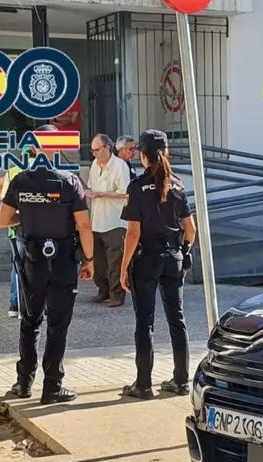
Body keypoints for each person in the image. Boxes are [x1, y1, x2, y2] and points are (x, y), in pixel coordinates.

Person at [0, 125, 96, 405]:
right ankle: (52, 386)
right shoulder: (69, 181)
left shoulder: (20, 180)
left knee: (30, 321)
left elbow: (2, 220)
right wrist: (89, 260)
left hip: (33, 260)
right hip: (63, 260)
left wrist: (25, 219)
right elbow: (84, 226)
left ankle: (23, 383)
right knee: (57, 325)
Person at [119, 129, 197, 399]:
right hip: (173, 257)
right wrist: (185, 255)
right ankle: (181, 380)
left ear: (142, 155)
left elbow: (133, 233)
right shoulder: (177, 185)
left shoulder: (138, 187)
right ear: (165, 153)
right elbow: (191, 230)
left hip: (147, 259)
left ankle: (143, 384)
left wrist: (123, 267)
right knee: (178, 320)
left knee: (145, 322)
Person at [86, 134, 131, 307]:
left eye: (97, 150)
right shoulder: (94, 165)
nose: (94, 154)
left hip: (115, 220)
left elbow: (125, 192)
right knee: (99, 260)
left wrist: (101, 194)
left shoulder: (120, 166)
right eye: (92, 150)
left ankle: (117, 294)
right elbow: (92, 186)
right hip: (97, 220)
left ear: (107, 148)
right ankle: (103, 290)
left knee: (115, 261)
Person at [0, 147, 30, 318]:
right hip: (28, 224)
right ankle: (26, 303)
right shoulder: (33, 170)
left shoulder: (13, 171)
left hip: (13, 224)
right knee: (30, 264)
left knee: (17, 264)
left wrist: (5, 201)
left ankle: (15, 304)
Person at [50, 96, 82, 166]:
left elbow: (73, 120)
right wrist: (67, 120)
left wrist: (57, 119)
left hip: (70, 138)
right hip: (57, 138)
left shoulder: (74, 100)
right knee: (58, 167)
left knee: (73, 166)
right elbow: (51, 122)